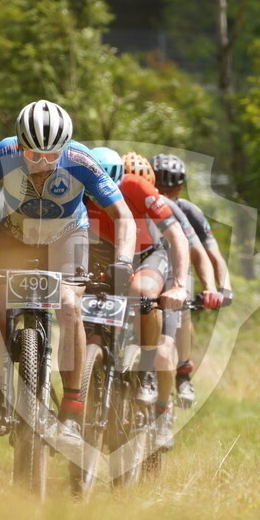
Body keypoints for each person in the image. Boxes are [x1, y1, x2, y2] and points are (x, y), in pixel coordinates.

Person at [0, 100, 135, 456]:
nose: (42, 163)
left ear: (65, 148)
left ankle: (72, 409)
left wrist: (123, 260)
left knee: (70, 307)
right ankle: (3, 391)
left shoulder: (81, 159)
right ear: (19, 144)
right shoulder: (4, 153)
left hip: (67, 235)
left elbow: (122, 214)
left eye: (52, 155)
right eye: (32, 155)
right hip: (16, 235)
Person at [84, 148, 189, 451]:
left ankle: (147, 371)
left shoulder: (137, 187)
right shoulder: (77, 188)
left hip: (146, 255)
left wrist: (179, 285)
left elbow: (177, 237)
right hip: (103, 256)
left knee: (143, 295)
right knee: (82, 320)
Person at [151, 153, 232, 408]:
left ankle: (183, 371)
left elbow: (211, 254)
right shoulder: (138, 202)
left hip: (177, 270)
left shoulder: (188, 211)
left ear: (181, 188)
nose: (163, 195)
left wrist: (219, 288)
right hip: (146, 269)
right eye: (158, 187)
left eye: (170, 190)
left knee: (182, 305)